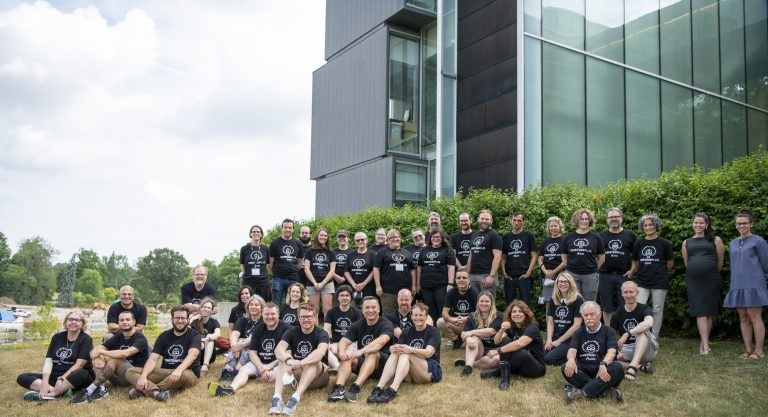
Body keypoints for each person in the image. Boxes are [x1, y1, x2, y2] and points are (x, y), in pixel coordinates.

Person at [208, 302, 291, 396]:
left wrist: (269, 366)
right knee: (243, 370)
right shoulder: (258, 329)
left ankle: (263, 376)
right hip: (259, 361)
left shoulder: (286, 329)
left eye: (273, 314)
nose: (269, 317)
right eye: (267, 314)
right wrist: (260, 367)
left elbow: (288, 353)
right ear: (262, 314)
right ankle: (230, 389)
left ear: (278, 314)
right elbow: (252, 353)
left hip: (278, 363)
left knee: (273, 376)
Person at [367, 303, 441, 404]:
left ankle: (393, 389)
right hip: (410, 373)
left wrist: (410, 349)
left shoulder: (433, 331)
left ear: (426, 317)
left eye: (421, 315)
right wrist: (392, 348)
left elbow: (428, 353)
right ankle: (379, 387)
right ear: (411, 316)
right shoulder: (407, 331)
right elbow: (398, 349)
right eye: (415, 315)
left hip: (429, 371)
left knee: (405, 353)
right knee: (397, 352)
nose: (418, 318)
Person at [71, 311, 149, 404]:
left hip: (133, 376)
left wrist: (101, 352)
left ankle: (90, 389)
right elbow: (95, 351)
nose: (124, 322)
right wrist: (98, 356)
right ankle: (101, 388)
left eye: (128, 319)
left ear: (134, 322)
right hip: (117, 378)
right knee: (100, 355)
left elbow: (125, 353)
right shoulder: (119, 335)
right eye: (122, 320)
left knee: (115, 358)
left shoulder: (140, 338)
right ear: (118, 323)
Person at [125, 305, 200, 402]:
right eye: (177, 318)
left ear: (188, 319)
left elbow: (192, 355)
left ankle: (143, 391)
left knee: (184, 375)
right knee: (130, 372)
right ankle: (156, 393)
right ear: (172, 319)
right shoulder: (163, 336)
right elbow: (153, 359)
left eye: (183, 318)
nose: (180, 321)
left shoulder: (194, 335)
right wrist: (143, 376)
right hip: (166, 372)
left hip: (187, 372)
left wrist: (179, 370)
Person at [327, 296, 395, 403]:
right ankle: (338, 388)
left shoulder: (386, 324)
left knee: (372, 352)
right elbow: (343, 341)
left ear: (379, 309)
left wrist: (361, 351)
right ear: (362, 310)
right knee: (348, 354)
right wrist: (341, 352)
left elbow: (380, 342)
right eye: (367, 308)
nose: (370, 310)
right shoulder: (357, 325)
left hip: (382, 367)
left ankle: (355, 388)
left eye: (373, 307)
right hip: (365, 364)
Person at [17, 310, 94, 402]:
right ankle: (58, 390)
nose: (73, 322)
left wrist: (61, 379)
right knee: (22, 377)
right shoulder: (57, 337)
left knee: (82, 372)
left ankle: (51, 394)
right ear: (66, 322)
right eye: (70, 319)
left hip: (75, 378)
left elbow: (79, 365)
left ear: (82, 323)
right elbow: (49, 361)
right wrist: (45, 383)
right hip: (55, 377)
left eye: (77, 320)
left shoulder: (86, 339)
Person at [269, 303, 330, 415]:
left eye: (309, 316)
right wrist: (288, 360)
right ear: (298, 318)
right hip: (298, 372)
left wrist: (300, 363)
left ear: (314, 317)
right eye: (303, 317)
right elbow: (278, 349)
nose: (306, 319)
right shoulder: (292, 331)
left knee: (313, 361)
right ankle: (277, 398)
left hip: (319, 375)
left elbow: (320, 353)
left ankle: (295, 399)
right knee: (283, 359)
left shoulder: (322, 333)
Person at [724, 209, 768, 360]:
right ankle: (748, 350)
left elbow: (765, 265)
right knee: (743, 318)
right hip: (737, 284)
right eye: (738, 224)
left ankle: (759, 351)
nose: (741, 226)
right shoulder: (733, 242)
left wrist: (758, 281)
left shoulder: (759, 241)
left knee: (755, 317)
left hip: (754, 284)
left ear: (751, 223)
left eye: (744, 223)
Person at [561, 301, 624, 403]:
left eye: (592, 314)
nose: (589, 317)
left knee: (618, 367)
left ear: (599, 315)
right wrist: (571, 360)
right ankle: (604, 391)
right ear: (582, 317)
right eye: (586, 315)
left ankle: (582, 393)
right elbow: (572, 350)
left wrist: (603, 364)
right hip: (585, 369)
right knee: (566, 367)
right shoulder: (578, 332)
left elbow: (612, 352)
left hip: (604, 368)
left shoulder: (609, 331)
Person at [682, 212, 724, 355]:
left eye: (701, 223)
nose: (698, 225)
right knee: (700, 311)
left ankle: (703, 342)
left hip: (711, 279)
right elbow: (687, 263)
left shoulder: (716, 240)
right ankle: (706, 346)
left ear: (706, 225)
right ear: (692, 223)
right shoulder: (686, 242)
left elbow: (720, 262)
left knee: (709, 312)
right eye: (696, 222)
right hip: (694, 280)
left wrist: (708, 271)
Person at [484, 301, 546, 390]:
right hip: (518, 367)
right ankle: (504, 378)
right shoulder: (512, 327)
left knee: (521, 352)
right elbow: (497, 341)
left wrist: (498, 351)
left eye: (520, 311)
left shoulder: (532, 327)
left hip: (535, 368)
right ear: (510, 314)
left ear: (526, 314)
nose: (517, 314)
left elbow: (519, 343)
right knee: (506, 340)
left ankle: (498, 372)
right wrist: (501, 330)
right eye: (514, 312)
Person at [632, 214, 674, 337]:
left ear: (656, 225)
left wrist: (657, 271)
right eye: (645, 225)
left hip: (660, 282)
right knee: (639, 308)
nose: (648, 227)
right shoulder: (639, 243)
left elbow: (670, 263)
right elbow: (636, 262)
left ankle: (654, 337)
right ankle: (640, 335)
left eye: (651, 224)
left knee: (657, 310)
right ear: (642, 227)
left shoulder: (664, 243)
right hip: (642, 281)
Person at [611, 281, 658, 381]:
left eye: (631, 292)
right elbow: (610, 336)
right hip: (627, 351)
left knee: (642, 330)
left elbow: (648, 323)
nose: (628, 295)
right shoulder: (617, 314)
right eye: (625, 292)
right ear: (622, 294)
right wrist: (615, 352)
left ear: (637, 293)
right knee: (606, 359)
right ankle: (639, 366)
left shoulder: (645, 308)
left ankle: (632, 368)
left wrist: (627, 334)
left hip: (647, 349)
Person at [598, 208, 637, 325]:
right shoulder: (600, 236)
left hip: (623, 276)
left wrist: (632, 270)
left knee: (624, 305)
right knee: (607, 307)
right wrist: (597, 270)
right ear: (607, 220)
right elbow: (596, 256)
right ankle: (608, 333)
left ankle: (624, 332)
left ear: (621, 218)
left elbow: (636, 257)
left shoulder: (630, 235)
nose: (613, 219)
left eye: (616, 216)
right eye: (611, 217)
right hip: (605, 276)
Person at [561, 208, 605, 302]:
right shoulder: (568, 237)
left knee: (589, 303)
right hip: (572, 274)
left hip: (590, 275)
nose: (584, 221)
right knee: (573, 302)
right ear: (577, 220)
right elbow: (564, 258)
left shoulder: (596, 237)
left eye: (586, 219)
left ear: (590, 221)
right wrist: (570, 267)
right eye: (581, 219)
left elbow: (601, 258)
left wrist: (593, 268)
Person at [455, 291, 503, 376]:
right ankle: (468, 368)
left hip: (495, 349)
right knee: (473, 338)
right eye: (481, 301)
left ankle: (470, 362)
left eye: (487, 301)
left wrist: (471, 332)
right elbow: (464, 334)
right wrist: (468, 338)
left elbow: (491, 331)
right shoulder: (472, 316)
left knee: (496, 361)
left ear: (492, 303)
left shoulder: (498, 315)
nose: (484, 304)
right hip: (479, 350)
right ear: (478, 303)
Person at [220, 295, 265, 380]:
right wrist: (234, 346)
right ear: (247, 307)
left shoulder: (264, 321)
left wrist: (239, 346)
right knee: (238, 342)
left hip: (256, 348)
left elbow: (256, 338)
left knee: (247, 346)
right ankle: (227, 369)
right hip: (240, 346)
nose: (253, 307)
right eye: (251, 305)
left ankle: (237, 369)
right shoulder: (243, 319)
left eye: (256, 305)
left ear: (261, 307)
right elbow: (234, 333)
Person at [543, 273, 584, 365]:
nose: (563, 284)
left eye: (566, 282)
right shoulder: (554, 299)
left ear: (570, 284)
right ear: (557, 283)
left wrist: (559, 341)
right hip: (556, 337)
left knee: (548, 359)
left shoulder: (577, 299)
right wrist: (549, 339)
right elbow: (550, 321)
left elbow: (577, 325)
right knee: (541, 356)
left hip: (571, 339)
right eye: (560, 281)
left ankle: (576, 358)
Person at [417, 228, 456, 323]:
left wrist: (450, 284)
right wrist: (418, 284)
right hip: (426, 285)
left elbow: (451, 267)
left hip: (441, 284)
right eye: (433, 237)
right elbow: (419, 268)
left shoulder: (447, 249)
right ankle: (432, 330)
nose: (435, 239)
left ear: (442, 238)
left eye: (438, 237)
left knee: (442, 306)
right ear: (430, 238)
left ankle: (443, 331)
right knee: (429, 308)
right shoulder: (424, 250)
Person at [373, 229, 416, 315]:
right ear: (388, 240)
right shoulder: (382, 252)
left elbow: (412, 270)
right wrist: (378, 286)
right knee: (388, 315)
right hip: (388, 291)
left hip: (405, 290)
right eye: (392, 237)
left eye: (397, 237)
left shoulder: (407, 253)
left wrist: (414, 285)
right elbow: (376, 269)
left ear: (400, 238)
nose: (395, 239)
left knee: (406, 314)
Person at [501, 212, 538, 307]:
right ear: (511, 221)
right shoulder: (505, 237)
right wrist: (504, 273)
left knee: (526, 304)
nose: (516, 222)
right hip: (510, 276)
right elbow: (503, 256)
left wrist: (528, 273)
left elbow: (534, 255)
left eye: (519, 220)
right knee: (509, 304)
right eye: (514, 220)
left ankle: (527, 322)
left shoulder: (528, 235)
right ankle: (509, 322)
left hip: (524, 276)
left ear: (523, 222)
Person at [324, 285, 362, 370]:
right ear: (337, 297)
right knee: (325, 348)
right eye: (342, 295)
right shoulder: (331, 312)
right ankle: (337, 366)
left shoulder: (357, 312)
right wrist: (327, 343)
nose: (344, 298)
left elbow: (359, 332)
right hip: (336, 343)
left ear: (351, 297)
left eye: (347, 295)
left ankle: (337, 365)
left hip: (351, 343)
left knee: (353, 357)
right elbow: (326, 330)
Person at [436, 272, 478, 349]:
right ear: (455, 280)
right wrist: (451, 319)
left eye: (464, 278)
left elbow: (479, 313)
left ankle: (467, 339)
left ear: (469, 280)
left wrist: (466, 319)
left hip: (471, 325)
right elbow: (444, 312)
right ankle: (456, 340)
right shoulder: (451, 292)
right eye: (458, 278)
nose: (461, 280)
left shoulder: (474, 292)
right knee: (440, 322)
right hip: (456, 323)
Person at [269, 219, 305, 307]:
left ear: (293, 229)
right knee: (276, 304)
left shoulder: (298, 243)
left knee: (292, 304)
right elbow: (270, 263)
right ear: (281, 228)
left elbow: (300, 262)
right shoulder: (274, 243)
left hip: (293, 279)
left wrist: (292, 271)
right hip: (278, 279)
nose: (287, 230)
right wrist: (275, 274)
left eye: (290, 228)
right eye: (285, 227)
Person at [468, 209, 503, 296]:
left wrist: (492, 276)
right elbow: (471, 255)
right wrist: (467, 274)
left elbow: (497, 256)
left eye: (487, 219)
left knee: (488, 304)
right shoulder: (474, 235)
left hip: (486, 275)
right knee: (475, 304)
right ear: (478, 219)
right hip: (472, 276)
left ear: (491, 221)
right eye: (482, 219)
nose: (484, 221)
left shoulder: (494, 235)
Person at [303, 227, 336, 316]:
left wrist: (323, 283)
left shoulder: (331, 252)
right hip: (312, 283)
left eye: (325, 235)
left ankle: (327, 330)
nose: (323, 237)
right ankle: (315, 330)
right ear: (317, 236)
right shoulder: (309, 251)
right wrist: (315, 283)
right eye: (321, 235)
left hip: (327, 283)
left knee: (327, 309)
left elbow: (332, 270)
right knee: (314, 309)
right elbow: (306, 269)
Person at [539, 216, 566, 310]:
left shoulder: (565, 240)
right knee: (548, 303)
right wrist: (546, 272)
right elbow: (540, 259)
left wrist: (553, 272)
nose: (553, 228)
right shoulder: (545, 242)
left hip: (561, 276)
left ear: (560, 227)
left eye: (555, 226)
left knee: (561, 302)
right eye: (551, 226)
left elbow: (565, 261)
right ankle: (549, 325)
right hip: (546, 277)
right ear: (548, 228)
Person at [189, 297, 220, 375]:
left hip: (208, 353)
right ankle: (193, 364)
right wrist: (192, 319)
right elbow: (185, 332)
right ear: (201, 308)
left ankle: (205, 365)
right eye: (205, 307)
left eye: (209, 308)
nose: (206, 309)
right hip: (195, 350)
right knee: (196, 341)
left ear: (211, 310)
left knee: (210, 339)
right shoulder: (194, 321)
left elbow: (217, 333)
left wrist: (208, 338)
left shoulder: (214, 322)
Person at [240, 225, 271, 301]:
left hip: (263, 281)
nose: (256, 233)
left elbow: (267, 265)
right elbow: (242, 265)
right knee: (248, 302)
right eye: (254, 232)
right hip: (249, 281)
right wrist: (246, 274)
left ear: (261, 234)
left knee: (263, 302)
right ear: (250, 234)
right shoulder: (244, 249)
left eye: (258, 232)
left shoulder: (265, 248)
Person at [345, 231, 376, 302]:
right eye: (358, 240)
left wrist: (363, 284)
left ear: (366, 240)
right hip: (354, 288)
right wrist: (354, 285)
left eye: (362, 239)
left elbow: (374, 271)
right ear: (355, 242)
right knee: (354, 309)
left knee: (368, 309)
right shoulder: (350, 255)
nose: (360, 241)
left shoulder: (373, 255)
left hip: (369, 288)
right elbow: (346, 271)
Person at [332, 230, 354, 295]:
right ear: (337, 239)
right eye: (340, 237)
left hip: (349, 283)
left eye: (344, 237)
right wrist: (335, 276)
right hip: (335, 282)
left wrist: (344, 277)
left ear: (347, 239)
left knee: (347, 302)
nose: (342, 238)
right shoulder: (332, 252)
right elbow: (328, 267)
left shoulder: (353, 252)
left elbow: (353, 268)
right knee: (335, 303)